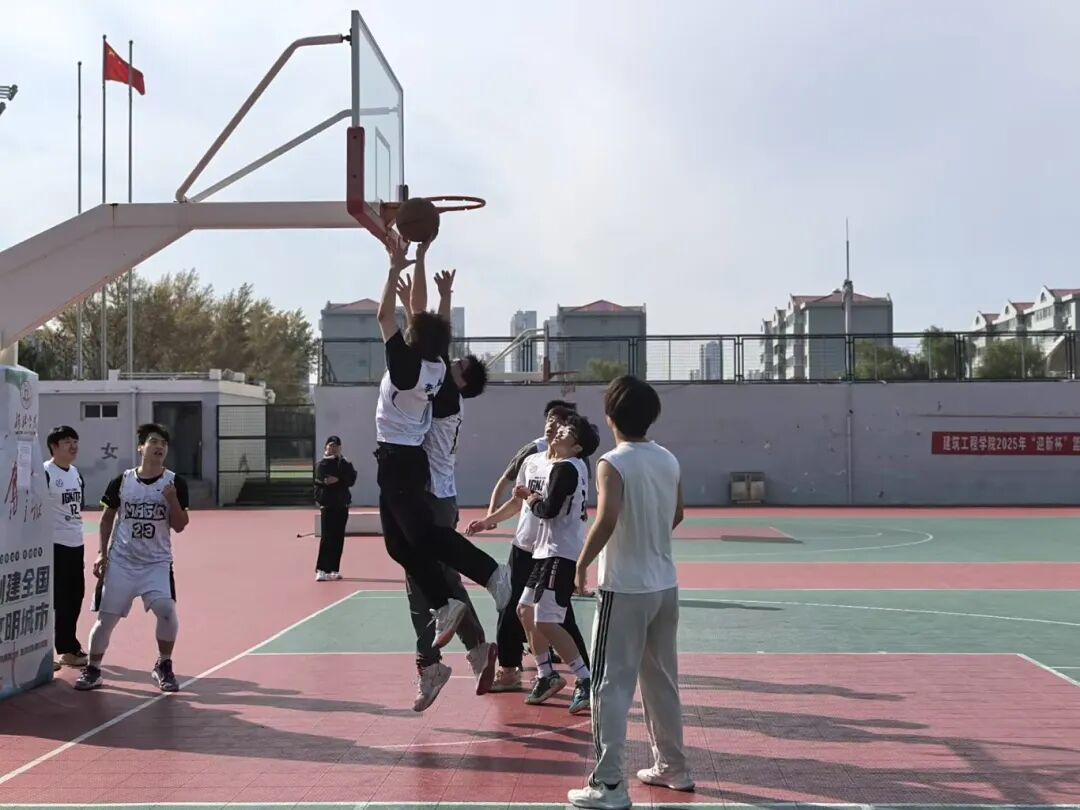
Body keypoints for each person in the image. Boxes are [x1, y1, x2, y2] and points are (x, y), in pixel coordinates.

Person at [373, 234, 511, 651]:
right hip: (403, 461)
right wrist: (421, 259)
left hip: (407, 465)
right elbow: (425, 320)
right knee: (399, 546)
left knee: (427, 540)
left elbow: (386, 316)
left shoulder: (411, 370)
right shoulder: (435, 368)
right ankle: (447, 605)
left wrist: (396, 265)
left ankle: (488, 577)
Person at [568, 376, 693, 810]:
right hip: (664, 585)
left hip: (623, 588)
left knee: (609, 686)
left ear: (610, 417)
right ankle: (673, 767)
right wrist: (651, 537)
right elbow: (678, 512)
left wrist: (582, 563)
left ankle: (608, 784)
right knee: (661, 682)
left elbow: (606, 519)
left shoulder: (612, 462)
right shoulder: (668, 458)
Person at [395, 267, 497, 712]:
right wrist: (439, 295)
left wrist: (426, 292)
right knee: (437, 579)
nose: (450, 363)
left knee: (422, 579)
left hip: (432, 497)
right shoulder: (443, 389)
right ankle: (475, 648)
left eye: (457, 367)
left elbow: (431, 341)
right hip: (436, 495)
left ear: (462, 383)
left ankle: (431, 663)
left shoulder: (445, 395)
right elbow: (433, 339)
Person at [469, 403, 591, 694]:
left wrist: (531, 498)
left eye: (561, 423)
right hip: (526, 547)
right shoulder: (532, 459)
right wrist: (489, 520)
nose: (553, 426)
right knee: (516, 608)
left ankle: (585, 675)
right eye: (550, 419)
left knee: (556, 616)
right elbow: (516, 501)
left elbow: (548, 508)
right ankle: (518, 669)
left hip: (553, 550)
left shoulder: (568, 467)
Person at [74, 423, 190, 693]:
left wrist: (172, 500)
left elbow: (180, 525)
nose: (159, 447)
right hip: (122, 562)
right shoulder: (123, 481)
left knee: (167, 610)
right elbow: (106, 519)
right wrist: (102, 553)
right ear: (141, 447)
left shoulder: (174, 482)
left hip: (156, 562)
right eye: (153, 441)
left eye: (164, 443)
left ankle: (164, 664)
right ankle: (93, 669)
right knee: (106, 619)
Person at [44, 425, 88, 670]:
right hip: (52, 544)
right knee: (51, 599)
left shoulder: (76, 473)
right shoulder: (44, 472)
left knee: (74, 597)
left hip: (75, 543)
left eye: (75, 441)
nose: (73, 446)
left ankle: (67, 648)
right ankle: (43, 652)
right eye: (67, 442)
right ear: (54, 446)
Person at [314, 435, 357, 581]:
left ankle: (334, 569)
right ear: (326, 447)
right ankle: (321, 569)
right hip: (327, 505)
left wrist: (339, 479)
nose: (333, 448)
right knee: (327, 537)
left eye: (336, 446)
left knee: (338, 537)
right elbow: (326, 480)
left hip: (342, 505)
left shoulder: (345, 463)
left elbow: (351, 479)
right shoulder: (321, 464)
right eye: (331, 445)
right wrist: (340, 480)